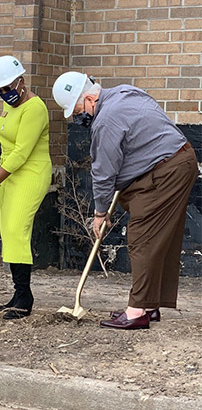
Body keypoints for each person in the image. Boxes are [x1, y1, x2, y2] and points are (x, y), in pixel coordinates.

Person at [52, 72, 197, 330]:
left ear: (88, 99)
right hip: (177, 160)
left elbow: (103, 173)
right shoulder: (124, 92)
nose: (78, 118)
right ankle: (149, 306)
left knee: (142, 236)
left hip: (166, 169)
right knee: (160, 237)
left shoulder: (105, 121)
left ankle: (137, 311)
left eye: (77, 111)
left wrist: (99, 213)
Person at [0, 55, 51, 319]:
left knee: (18, 230)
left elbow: (22, 151)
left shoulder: (35, 108)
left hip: (29, 174)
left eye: (7, 88)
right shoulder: (13, 106)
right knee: (9, 231)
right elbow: (9, 131)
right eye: (0, 90)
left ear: (22, 81)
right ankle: (18, 293)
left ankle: (24, 298)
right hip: (9, 174)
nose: (4, 93)